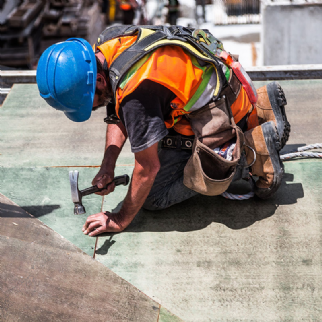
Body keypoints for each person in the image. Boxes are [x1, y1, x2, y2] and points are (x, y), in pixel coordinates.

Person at [36, 25, 290, 237]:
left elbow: (147, 168)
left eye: (87, 103)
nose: (90, 110)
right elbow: (117, 108)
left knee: (154, 197)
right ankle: (263, 107)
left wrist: (120, 219)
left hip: (222, 114)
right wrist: (108, 165)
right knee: (150, 138)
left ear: (99, 80)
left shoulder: (138, 93)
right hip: (225, 88)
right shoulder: (109, 43)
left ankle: (251, 152)